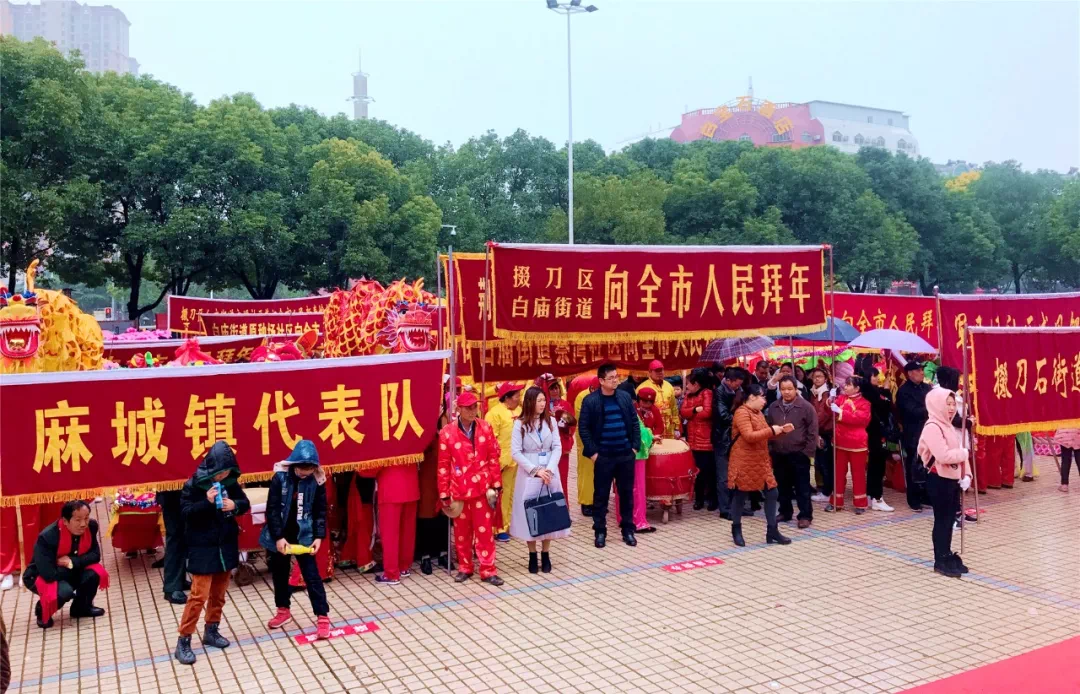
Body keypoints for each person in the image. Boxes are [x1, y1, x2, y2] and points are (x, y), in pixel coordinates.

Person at [174, 441, 250, 665]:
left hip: (225, 545)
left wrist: (234, 505)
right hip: (202, 547)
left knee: (219, 593)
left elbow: (244, 503)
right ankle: (184, 640)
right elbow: (186, 513)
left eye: (227, 472)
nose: (223, 476)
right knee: (199, 596)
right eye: (220, 472)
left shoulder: (230, 482)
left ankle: (212, 630)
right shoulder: (193, 485)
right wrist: (207, 503)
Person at [261, 440, 332, 637]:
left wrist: (319, 536)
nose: (304, 474)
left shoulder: (317, 480)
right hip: (281, 535)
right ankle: (283, 610)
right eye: (301, 470)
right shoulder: (280, 477)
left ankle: (323, 616)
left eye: (309, 470)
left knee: (312, 575)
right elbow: (272, 509)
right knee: (279, 573)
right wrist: (278, 537)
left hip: (305, 533)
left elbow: (320, 510)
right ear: (294, 464)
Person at [437, 391, 504, 586]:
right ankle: (465, 567)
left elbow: (493, 457)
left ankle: (488, 569)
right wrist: (444, 492)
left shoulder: (485, 427)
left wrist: (496, 484)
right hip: (459, 490)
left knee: (485, 532)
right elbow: (443, 465)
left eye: (475, 406)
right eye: (468, 408)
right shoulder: (447, 432)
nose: (473, 411)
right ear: (459, 409)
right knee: (461, 533)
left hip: (482, 489)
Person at [579, 363, 642, 549]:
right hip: (603, 457)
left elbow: (634, 423)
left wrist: (634, 448)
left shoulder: (624, 397)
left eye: (617, 377)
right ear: (601, 381)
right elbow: (584, 429)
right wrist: (593, 454)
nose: (615, 381)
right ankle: (600, 531)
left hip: (625, 455)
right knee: (601, 496)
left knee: (626, 494)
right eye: (611, 378)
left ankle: (628, 530)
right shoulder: (590, 401)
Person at [510, 386, 569, 573]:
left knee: (548, 509)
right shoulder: (520, 424)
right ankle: (532, 554)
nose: (543, 404)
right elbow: (515, 452)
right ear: (530, 402)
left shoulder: (551, 421)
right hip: (529, 472)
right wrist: (535, 470)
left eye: (544, 400)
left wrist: (549, 469)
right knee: (531, 510)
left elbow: (557, 447)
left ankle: (546, 553)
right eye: (539, 401)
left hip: (549, 470)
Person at [23, 500, 108, 629]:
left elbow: (95, 555)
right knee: (64, 592)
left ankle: (81, 608)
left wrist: (72, 562)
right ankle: (42, 611)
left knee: (95, 573)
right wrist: (74, 569)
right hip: (40, 576)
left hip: (68, 569)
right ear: (65, 521)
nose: (83, 524)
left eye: (86, 518)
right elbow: (48, 574)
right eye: (78, 520)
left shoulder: (91, 526)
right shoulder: (48, 537)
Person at [728, 384, 794, 547]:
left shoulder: (757, 413)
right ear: (752, 397)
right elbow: (749, 436)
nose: (765, 400)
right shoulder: (741, 412)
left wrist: (781, 431)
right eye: (762, 397)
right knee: (740, 495)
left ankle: (772, 530)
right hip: (744, 461)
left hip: (760, 460)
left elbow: (764, 434)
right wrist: (772, 430)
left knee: (772, 492)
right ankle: (736, 529)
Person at [918, 388, 972, 578]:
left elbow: (961, 454)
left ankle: (947, 553)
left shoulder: (948, 425)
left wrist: (967, 475)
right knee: (942, 520)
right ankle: (940, 558)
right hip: (938, 479)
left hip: (952, 479)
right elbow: (943, 455)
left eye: (953, 404)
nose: (951, 408)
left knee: (950, 519)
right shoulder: (932, 427)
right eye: (947, 404)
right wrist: (963, 454)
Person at [766, 376, 819, 528]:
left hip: (799, 453)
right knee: (782, 486)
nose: (787, 392)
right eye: (783, 389)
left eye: (790, 389)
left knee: (802, 486)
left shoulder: (806, 407)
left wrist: (807, 452)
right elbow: (769, 428)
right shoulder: (774, 407)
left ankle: (805, 515)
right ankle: (785, 511)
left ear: (796, 389)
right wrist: (771, 448)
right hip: (779, 453)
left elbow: (813, 432)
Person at [827, 376, 872, 514]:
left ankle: (860, 503)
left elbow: (861, 419)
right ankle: (836, 502)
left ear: (857, 388)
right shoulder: (840, 398)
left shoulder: (865, 403)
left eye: (848, 385)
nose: (845, 387)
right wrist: (830, 399)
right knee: (838, 473)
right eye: (845, 384)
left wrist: (841, 412)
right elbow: (830, 410)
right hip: (840, 441)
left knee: (858, 474)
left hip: (857, 443)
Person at [486, 382, 523, 543]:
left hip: (517, 461)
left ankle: (509, 524)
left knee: (512, 494)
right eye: (516, 395)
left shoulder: (520, 411)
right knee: (500, 496)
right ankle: (498, 528)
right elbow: (490, 440)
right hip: (501, 463)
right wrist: (495, 461)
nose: (519, 397)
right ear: (507, 398)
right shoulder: (494, 414)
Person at [416, 407, 449, 575]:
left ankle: (443, 552)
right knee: (426, 516)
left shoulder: (447, 426)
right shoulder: (423, 429)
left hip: (445, 477)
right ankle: (425, 555)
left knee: (444, 515)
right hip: (427, 478)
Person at [896, 361, 933, 510]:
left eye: (922, 370)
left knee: (928, 465)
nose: (922, 372)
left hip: (929, 431)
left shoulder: (927, 388)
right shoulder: (904, 391)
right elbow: (912, 412)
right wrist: (931, 408)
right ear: (910, 373)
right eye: (918, 370)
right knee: (913, 466)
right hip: (913, 433)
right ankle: (914, 499)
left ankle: (927, 496)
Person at [712, 367, 745, 519]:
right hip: (723, 439)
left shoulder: (737, 391)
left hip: (735, 438)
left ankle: (737, 506)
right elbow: (723, 415)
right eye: (736, 384)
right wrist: (741, 419)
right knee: (724, 476)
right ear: (729, 381)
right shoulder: (719, 392)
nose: (738, 387)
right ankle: (725, 509)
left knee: (737, 474)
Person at [681, 368, 716, 511]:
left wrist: (691, 414)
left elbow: (707, 413)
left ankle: (712, 499)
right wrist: (695, 410)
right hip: (693, 439)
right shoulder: (688, 396)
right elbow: (683, 412)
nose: (687, 387)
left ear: (696, 384)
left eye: (688, 384)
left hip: (705, 440)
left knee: (708, 472)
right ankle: (699, 499)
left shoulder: (707, 393)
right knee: (696, 472)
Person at [536, 374, 576, 495]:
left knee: (562, 479)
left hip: (562, 447)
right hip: (546, 448)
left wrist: (565, 426)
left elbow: (572, 425)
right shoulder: (542, 406)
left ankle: (564, 504)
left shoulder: (566, 404)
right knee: (546, 478)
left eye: (556, 388)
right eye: (551, 389)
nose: (555, 391)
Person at [862, 368, 896, 512]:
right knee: (877, 466)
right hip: (876, 433)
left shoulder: (872, 391)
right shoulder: (869, 392)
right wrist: (887, 391)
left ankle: (871, 495)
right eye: (875, 376)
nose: (877, 378)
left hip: (874, 433)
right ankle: (877, 497)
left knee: (874, 466)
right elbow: (884, 406)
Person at [573, 376, 601, 516]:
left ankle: (598, 502)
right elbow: (583, 419)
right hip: (586, 438)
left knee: (600, 471)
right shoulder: (582, 397)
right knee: (586, 472)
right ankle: (586, 503)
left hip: (600, 437)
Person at [807, 368, 834, 502]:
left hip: (824, 432)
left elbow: (822, 415)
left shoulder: (826, 394)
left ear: (825, 379)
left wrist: (812, 427)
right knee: (820, 463)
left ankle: (828, 491)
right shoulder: (814, 392)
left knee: (826, 464)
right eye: (815, 377)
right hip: (817, 431)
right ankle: (826, 490)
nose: (817, 379)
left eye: (820, 376)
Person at [638, 360, 680, 438]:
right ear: (650, 372)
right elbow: (638, 411)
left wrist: (676, 427)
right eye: (657, 371)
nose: (660, 373)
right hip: (652, 428)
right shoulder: (642, 387)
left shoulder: (669, 386)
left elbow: (673, 407)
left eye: (661, 370)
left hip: (669, 427)